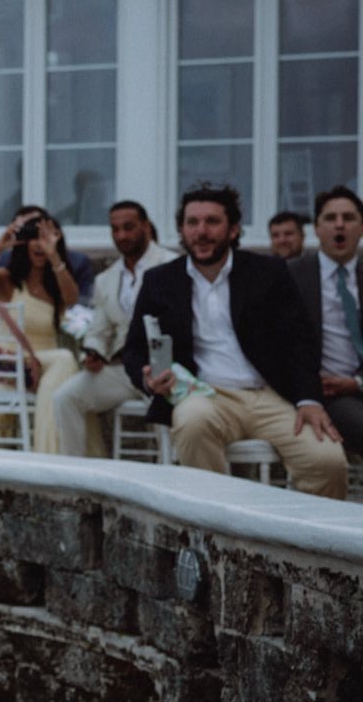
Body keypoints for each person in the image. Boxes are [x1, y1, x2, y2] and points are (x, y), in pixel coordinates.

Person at [126, 183, 344, 498]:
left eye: (212, 222)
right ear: (182, 230)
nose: (201, 231)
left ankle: (314, 543)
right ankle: (215, 529)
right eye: (192, 223)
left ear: (233, 229)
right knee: (191, 422)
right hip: (204, 394)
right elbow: (134, 349)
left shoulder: (267, 272)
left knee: (327, 460)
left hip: (269, 395)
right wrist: (148, 378)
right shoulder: (160, 281)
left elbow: (299, 341)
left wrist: (308, 399)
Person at [51, 201, 179, 457]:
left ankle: (174, 479)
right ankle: (73, 480)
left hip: (165, 366)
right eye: (115, 229)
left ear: (145, 226)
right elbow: (99, 330)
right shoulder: (106, 279)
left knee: (171, 412)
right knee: (65, 397)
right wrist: (93, 352)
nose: (122, 235)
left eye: (129, 227)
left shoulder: (172, 264)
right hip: (121, 369)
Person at [0, 207, 87, 455]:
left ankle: (52, 451)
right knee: (66, 358)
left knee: (62, 369)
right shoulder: (7, 279)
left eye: (46, 239)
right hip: (16, 362)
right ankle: (49, 453)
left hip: (47, 365)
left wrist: (54, 258)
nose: (40, 245)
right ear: (25, 243)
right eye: (35, 238)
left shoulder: (56, 281)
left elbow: (71, 299)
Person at [287, 185, 363, 454]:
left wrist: (358, 383)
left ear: (361, 226)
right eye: (330, 219)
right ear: (316, 228)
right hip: (327, 395)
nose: (339, 225)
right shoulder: (291, 277)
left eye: (349, 218)